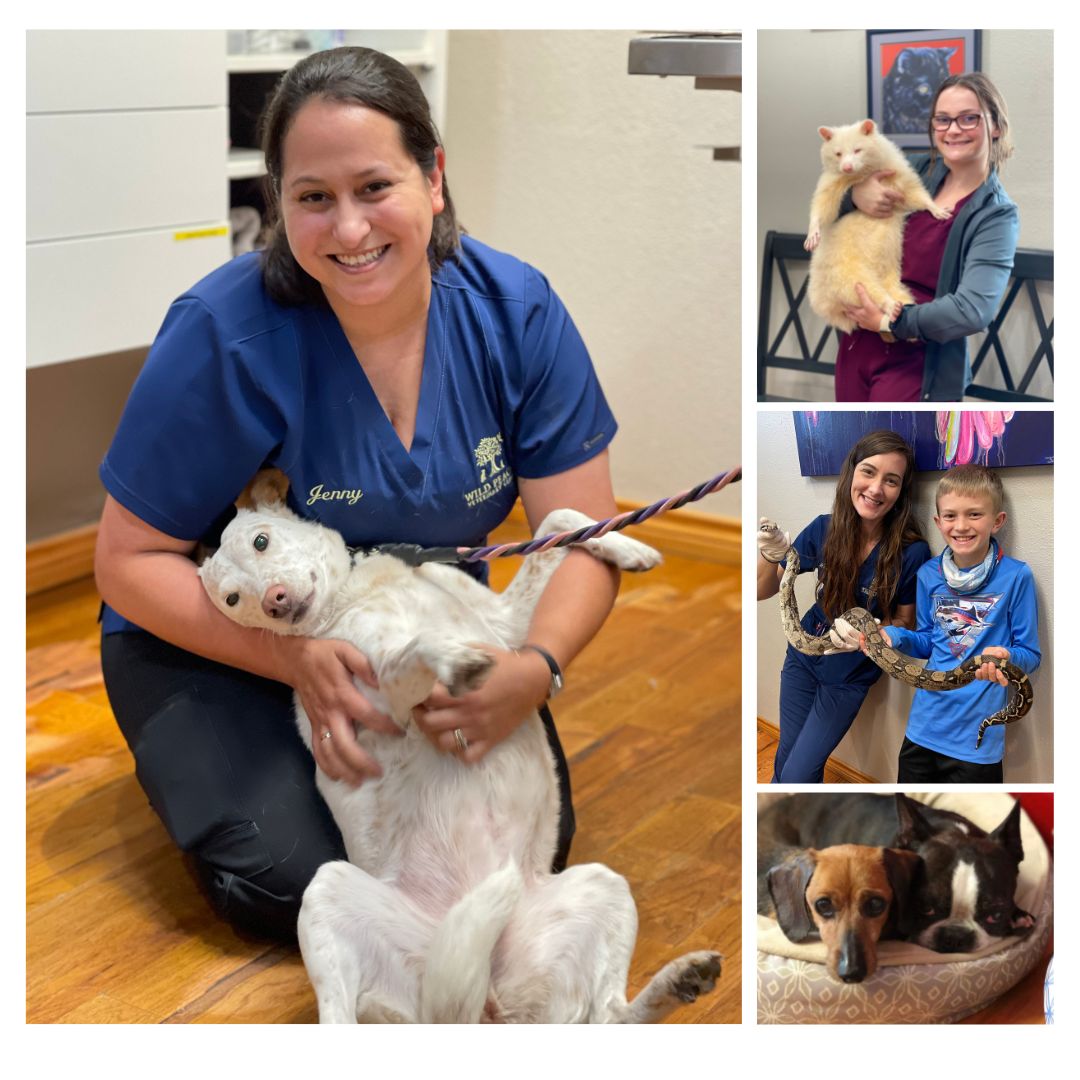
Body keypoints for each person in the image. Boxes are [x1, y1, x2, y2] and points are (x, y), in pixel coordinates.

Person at [94, 47, 625, 941]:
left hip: (405, 636)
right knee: (293, 884)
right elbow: (127, 561)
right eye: (312, 197)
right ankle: (211, 757)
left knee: (515, 859)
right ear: (280, 203)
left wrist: (531, 673)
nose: (348, 230)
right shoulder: (223, 335)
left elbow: (585, 537)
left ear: (435, 178)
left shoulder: (517, 311)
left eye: (375, 186)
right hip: (220, 636)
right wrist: (287, 662)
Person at [757, 429, 931, 783]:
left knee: (798, 772)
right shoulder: (824, 528)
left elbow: (905, 622)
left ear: (901, 493)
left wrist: (873, 634)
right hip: (802, 657)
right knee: (786, 759)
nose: (876, 488)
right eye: (868, 471)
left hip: (850, 675)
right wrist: (769, 554)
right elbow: (761, 590)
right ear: (851, 472)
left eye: (891, 480)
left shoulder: (912, 553)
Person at [834, 72, 1018, 403]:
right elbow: (835, 204)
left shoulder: (996, 214)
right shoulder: (915, 170)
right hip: (856, 344)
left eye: (969, 118)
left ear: (996, 126)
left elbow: (973, 309)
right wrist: (856, 196)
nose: (953, 129)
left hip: (918, 359)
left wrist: (891, 323)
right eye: (943, 120)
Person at [860, 464, 1040, 782]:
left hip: (976, 744)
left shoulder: (1016, 577)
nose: (961, 526)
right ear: (938, 522)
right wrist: (895, 636)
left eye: (974, 514)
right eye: (951, 515)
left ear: (997, 521)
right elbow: (930, 639)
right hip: (924, 728)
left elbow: (1030, 654)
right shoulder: (929, 573)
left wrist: (1007, 658)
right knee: (912, 818)